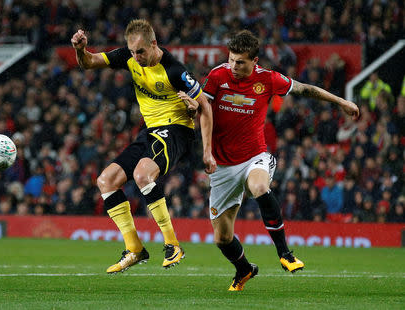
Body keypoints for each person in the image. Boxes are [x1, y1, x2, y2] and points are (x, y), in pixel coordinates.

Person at [196, 30, 359, 291]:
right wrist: (206, 149)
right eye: (231, 60)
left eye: (241, 62)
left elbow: (306, 89)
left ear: (255, 61)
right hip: (222, 166)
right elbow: (203, 111)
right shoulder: (217, 76)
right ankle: (244, 269)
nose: (234, 67)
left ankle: (285, 253)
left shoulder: (268, 80)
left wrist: (340, 102)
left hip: (254, 156)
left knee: (259, 187)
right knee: (222, 238)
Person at [71, 19, 216, 274]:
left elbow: (205, 106)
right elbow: (89, 63)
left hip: (177, 131)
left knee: (142, 174)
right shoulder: (128, 56)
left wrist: (207, 151)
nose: (136, 57)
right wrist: (80, 50)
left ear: (154, 44)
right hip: (151, 132)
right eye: (132, 51)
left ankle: (173, 244)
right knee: (106, 181)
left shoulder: (174, 70)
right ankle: (135, 248)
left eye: (141, 51)